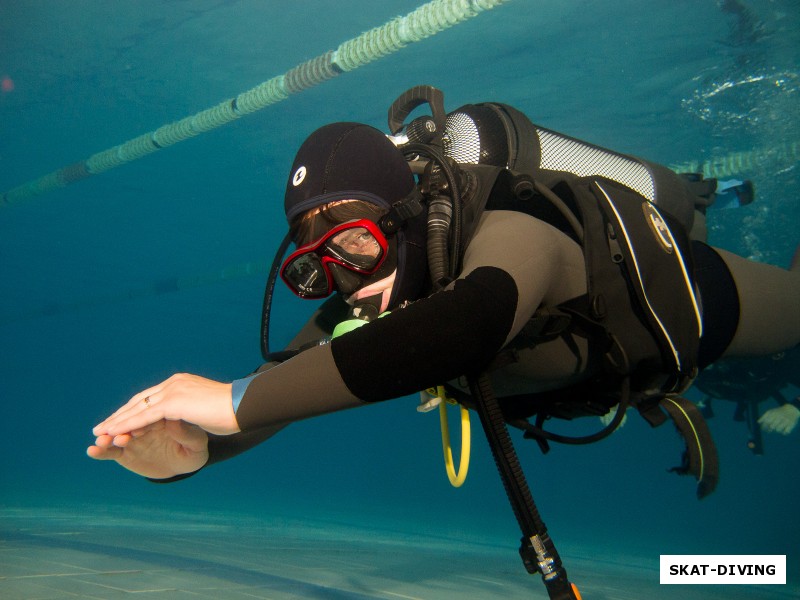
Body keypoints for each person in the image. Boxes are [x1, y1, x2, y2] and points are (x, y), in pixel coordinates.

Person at [88, 90, 800, 497]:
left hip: (694, 305)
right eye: (315, 269)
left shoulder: (513, 229)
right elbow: (281, 389)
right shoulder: (368, 293)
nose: (347, 284)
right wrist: (194, 454)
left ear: (403, 220)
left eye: (356, 245)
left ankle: (715, 205)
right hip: (623, 378)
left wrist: (227, 401)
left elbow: (472, 320)